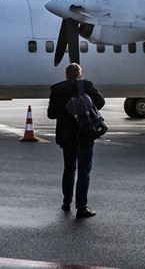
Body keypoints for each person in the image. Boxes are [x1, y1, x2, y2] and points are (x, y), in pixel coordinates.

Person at [47, 63, 104, 219]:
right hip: (84, 133)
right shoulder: (85, 85)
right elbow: (100, 103)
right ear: (80, 74)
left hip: (66, 136)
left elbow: (51, 114)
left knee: (69, 168)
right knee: (84, 171)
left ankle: (66, 203)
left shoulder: (57, 89)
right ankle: (81, 207)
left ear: (66, 75)